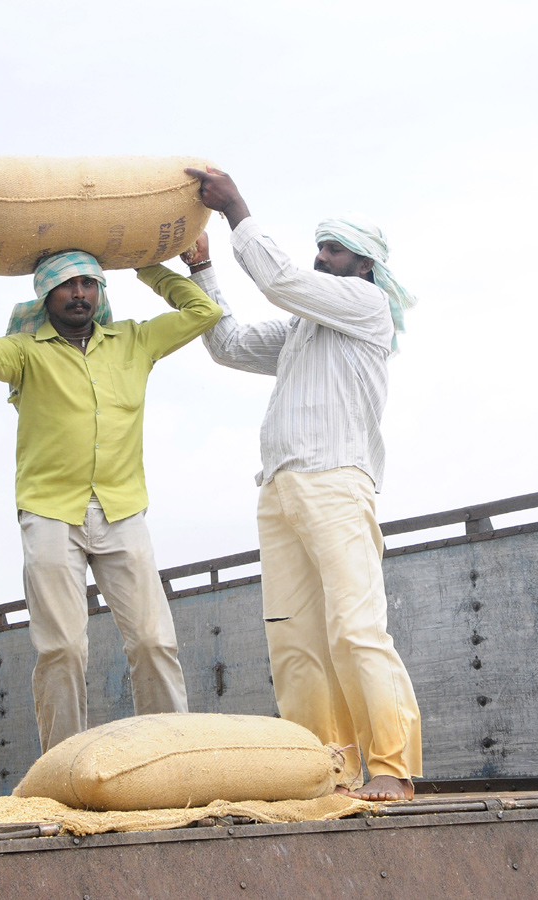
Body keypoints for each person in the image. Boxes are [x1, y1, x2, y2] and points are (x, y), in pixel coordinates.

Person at [175, 164, 422, 802]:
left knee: (356, 628)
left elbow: (283, 280)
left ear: (365, 266)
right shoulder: (300, 332)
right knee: (294, 637)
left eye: (334, 249)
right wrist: (201, 272)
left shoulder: (366, 307)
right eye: (320, 247)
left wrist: (235, 209)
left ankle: (392, 770)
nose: (322, 257)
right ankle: (326, 774)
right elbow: (226, 345)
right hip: (280, 487)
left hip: (337, 479)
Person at [0, 250, 221, 753]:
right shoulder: (26, 352)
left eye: (89, 284)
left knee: (153, 640)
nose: (80, 294)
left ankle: (171, 757)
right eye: (67, 285)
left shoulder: (134, 341)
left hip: (123, 511)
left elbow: (205, 313)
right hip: (50, 512)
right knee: (63, 648)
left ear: (101, 292)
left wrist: (145, 263)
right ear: (45, 296)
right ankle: (64, 768)